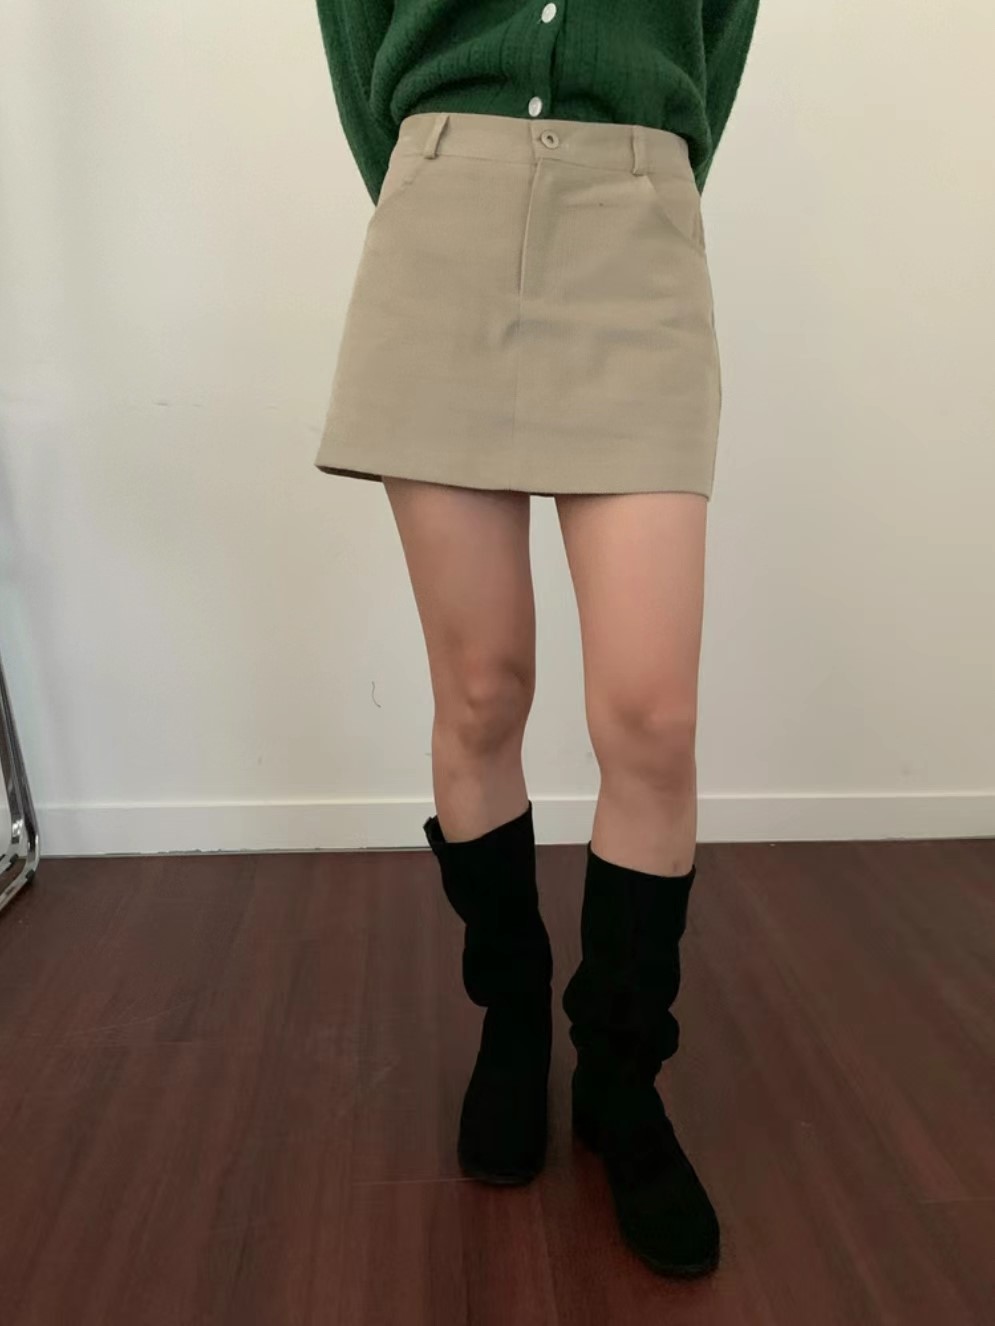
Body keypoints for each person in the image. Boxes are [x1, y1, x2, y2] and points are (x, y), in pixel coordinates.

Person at [313, 0, 759, 1279]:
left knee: (650, 719)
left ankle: (620, 1076)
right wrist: (443, 170)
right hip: (441, 210)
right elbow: (354, 37)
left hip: (636, 213)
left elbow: (718, 37)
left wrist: (644, 168)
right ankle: (512, 1024)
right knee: (480, 688)